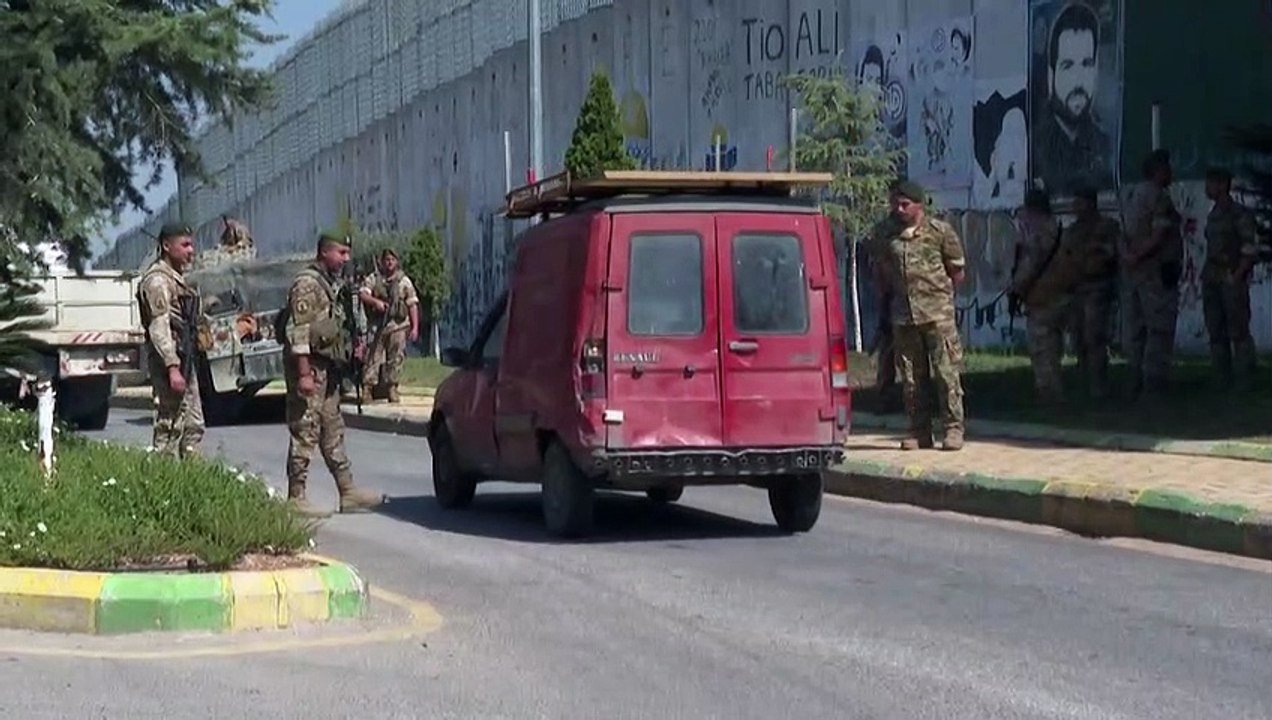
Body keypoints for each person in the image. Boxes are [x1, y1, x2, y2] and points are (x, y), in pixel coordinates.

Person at [281, 230, 384, 518]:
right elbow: (298, 333)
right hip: (309, 366)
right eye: (341, 253)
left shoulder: (330, 284)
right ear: (324, 252)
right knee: (305, 428)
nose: (345, 258)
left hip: (328, 367)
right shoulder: (307, 285)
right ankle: (296, 495)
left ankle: (347, 490)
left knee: (332, 427)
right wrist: (303, 373)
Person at [865, 179, 967, 451]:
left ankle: (953, 428)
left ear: (919, 205)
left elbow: (957, 272)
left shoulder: (939, 232)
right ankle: (919, 430)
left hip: (937, 315)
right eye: (894, 203)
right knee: (911, 378)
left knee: (946, 374)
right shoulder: (885, 234)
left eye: (904, 204)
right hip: (903, 316)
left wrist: (941, 299)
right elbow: (880, 272)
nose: (898, 209)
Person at [136, 222, 206, 458]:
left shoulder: (177, 279)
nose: (191, 251)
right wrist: (172, 367)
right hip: (170, 360)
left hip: (184, 356)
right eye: (184, 245)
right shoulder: (157, 281)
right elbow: (159, 327)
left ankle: (190, 480)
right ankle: (163, 479)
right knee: (170, 425)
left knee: (193, 424)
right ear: (166, 246)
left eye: (191, 245)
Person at [1120, 149, 1183, 398]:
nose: (1170, 172)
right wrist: (1140, 255)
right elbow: (1159, 235)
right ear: (1158, 171)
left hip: (1132, 273)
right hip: (1156, 272)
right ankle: (1154, 382)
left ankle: (1134, 378)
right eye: (1166, 168)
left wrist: (1128, 257)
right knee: (1159, 327)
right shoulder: (1159, 198)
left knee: (1135, 328)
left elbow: (1121, 233)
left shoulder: (1130, 195)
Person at [1010, 188, 1083, 403]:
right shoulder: (1061, 230)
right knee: (1055, 347)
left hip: (1042, 299)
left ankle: (1049, 394)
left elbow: (1028, 268)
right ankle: (1057, 389)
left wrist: (1016, 292)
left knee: (1042, 349)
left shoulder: (1038, 235)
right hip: (1064, 295)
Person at [1201, 166, 1260, 389]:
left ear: (1222, 184)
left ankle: (1245, 378)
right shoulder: (1213, 214)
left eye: (1211, 183)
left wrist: (1237, 276)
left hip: (1231, 277)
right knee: (1215, 329)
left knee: (1238, 330)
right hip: (1212, 277)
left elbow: (1249, 249)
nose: (1208, 188)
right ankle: (1221, 378)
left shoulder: (1239, 214)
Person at [1064, 186, 1121, 398]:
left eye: (1080, 202)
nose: (1075, 208)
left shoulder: (1107, 227)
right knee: (1078, 338)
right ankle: (1084, 381)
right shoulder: (1072, 231)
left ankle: (1098, 385)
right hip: (1077, 288)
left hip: (1098, 286)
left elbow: (1112, 254)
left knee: (1095, 337)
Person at [358, 247, 420, 403]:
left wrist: (415, 327)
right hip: (377, 326)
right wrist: (375, 302)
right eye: (386, 260)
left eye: (392, 259)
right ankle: (368, 389)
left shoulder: (404, 281)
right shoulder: (374, 278)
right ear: (382, 262)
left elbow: (412, 304)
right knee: (372, 358)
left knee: (396, 358)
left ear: (397, 262)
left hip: (398, 326)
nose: (389, 262)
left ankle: (392, 387)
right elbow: (363, 294)